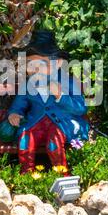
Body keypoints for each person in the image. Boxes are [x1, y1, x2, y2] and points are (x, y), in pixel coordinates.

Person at [7, 30, 89, 174]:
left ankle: (63, 175)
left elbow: (80, 108)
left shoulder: (68, 82)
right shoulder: (28, 85)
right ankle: (27, 176)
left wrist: (61, 96)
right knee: (25, 141)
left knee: (54, 142)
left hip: (61, 124)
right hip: (35, 122)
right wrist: (14, 113)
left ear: (57, 63)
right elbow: (18, 105)